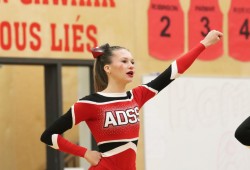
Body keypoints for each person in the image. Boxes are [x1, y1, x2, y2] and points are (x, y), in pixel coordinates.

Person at [40, 30, 223, 170]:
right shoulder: (90, 104)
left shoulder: (136, 96)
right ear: (108, 68)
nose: (131, 65)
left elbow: (173, 71)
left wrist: (204, 43)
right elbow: (48, 135)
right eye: (125, 61)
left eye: (132, 62)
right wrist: (85, 153)